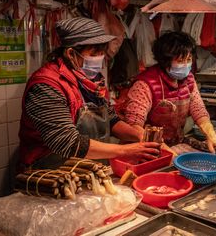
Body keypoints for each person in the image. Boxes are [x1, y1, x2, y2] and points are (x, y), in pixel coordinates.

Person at [18, 17, 161, 172]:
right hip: (49, 174)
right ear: (71, 53)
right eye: (94, 53)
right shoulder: (46, 85)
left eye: (102, 53)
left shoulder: (94, 81)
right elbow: (67, 142)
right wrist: (127, 150)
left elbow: (111, 120)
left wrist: (136, 134)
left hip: (86, 169)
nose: (100, 58)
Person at [124, 31, 216, 154]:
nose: (186, 65)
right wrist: (163, 150)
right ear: (165, 61)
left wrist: (211, 134)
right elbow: (133, 125)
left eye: (189, 59)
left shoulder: (189, 80)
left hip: (175, 145)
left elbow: (198, 109)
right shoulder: (144, 84)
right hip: (144, 149)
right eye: (181, 60)